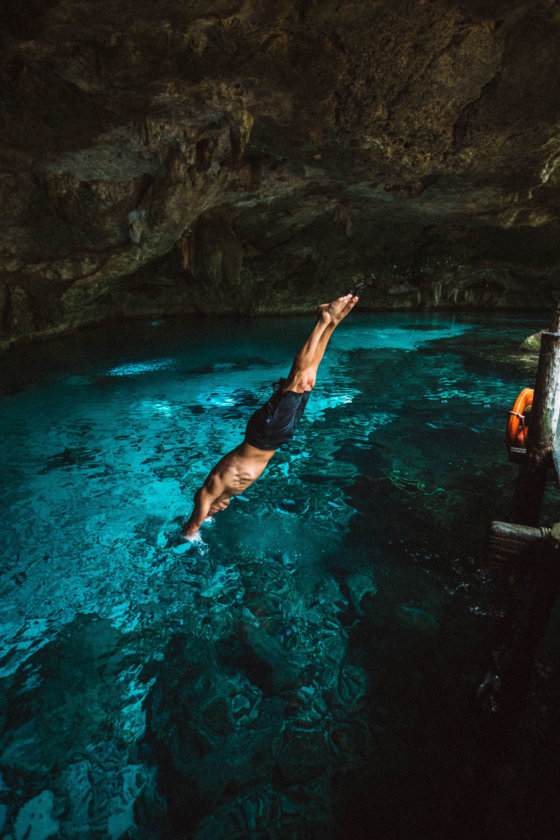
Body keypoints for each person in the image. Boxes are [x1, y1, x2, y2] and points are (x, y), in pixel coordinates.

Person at [182, 294, 359, 539]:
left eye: (214, 512)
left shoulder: (208, 493)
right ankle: (332, 322)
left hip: (264, 434)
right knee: (308, 381)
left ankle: (323, 319)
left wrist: (194, 532)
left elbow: (192, 527)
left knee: (297, 380)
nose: (220, 510)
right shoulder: (223, 494)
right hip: (273, 437)